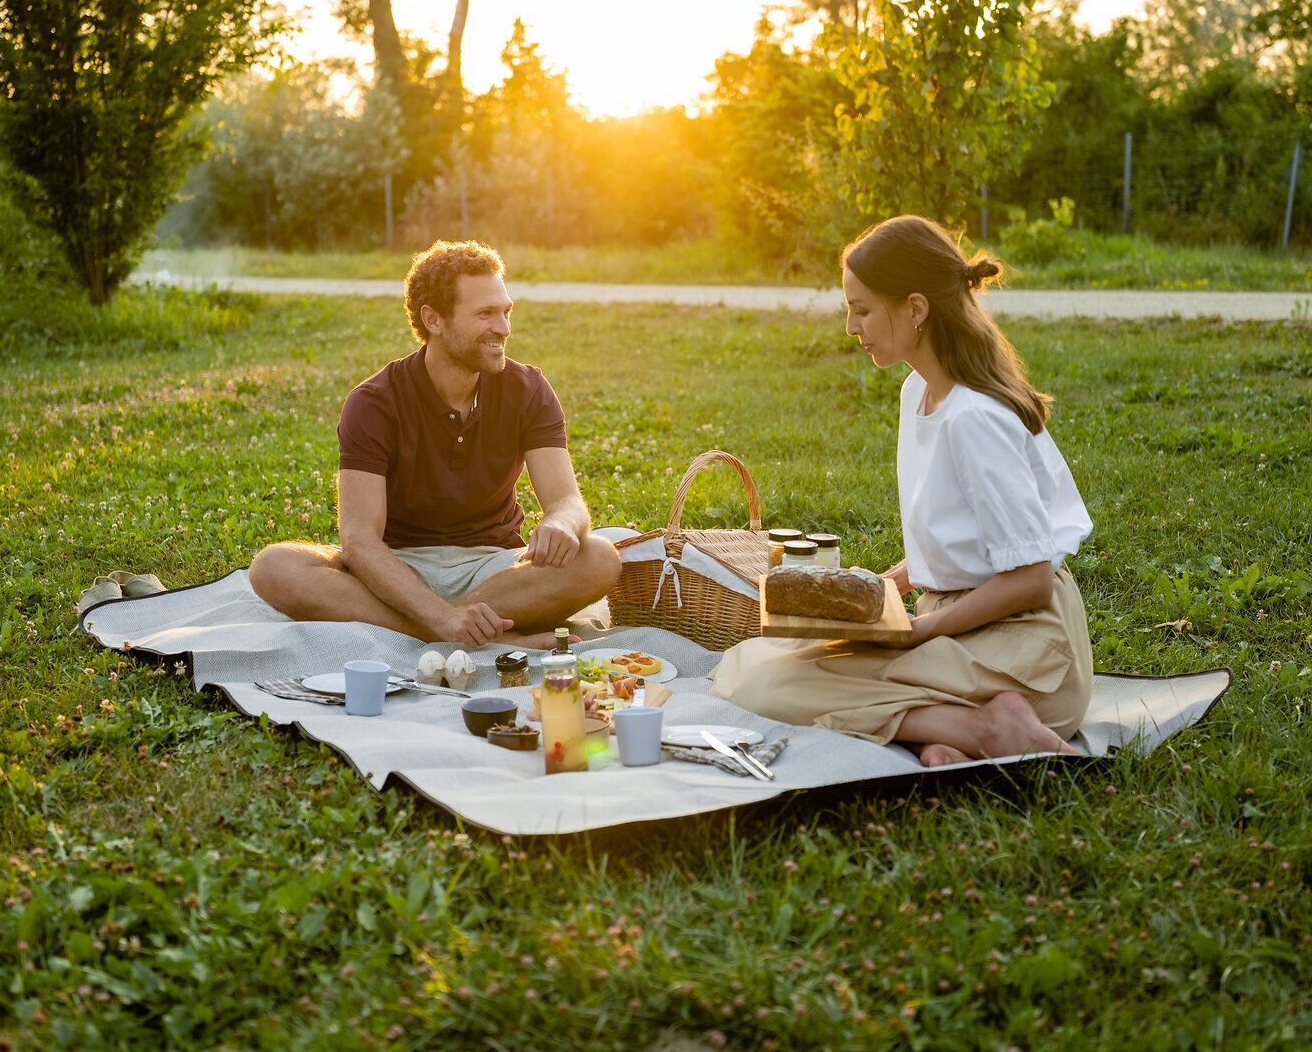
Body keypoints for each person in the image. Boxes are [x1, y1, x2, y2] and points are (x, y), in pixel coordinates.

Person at [711, 215, 1094, 765]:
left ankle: (990, 728)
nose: (850, 327)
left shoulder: (974, 418)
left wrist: (917, 631)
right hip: (966, 627)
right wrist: (879, 590)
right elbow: (958, 542)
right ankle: (949, 731)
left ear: (915, 309)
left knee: (764, 685)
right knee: (759, 659)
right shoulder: (920, 391)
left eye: (861, 309)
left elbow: (1031, 579)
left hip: (1027, 651)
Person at [249, 240, 621, 647]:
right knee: (273, 567)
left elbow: (566, 500)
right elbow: (360, 540)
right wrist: (441, 617)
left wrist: (561, 522)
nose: (504, 328)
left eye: (505, 312)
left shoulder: (529, 388)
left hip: (495, 569)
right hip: (397, 569)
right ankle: (466, 635)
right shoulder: (374, 401)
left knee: (599, 559)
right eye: (485, 314)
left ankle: (432, 632)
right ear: (434, 320)